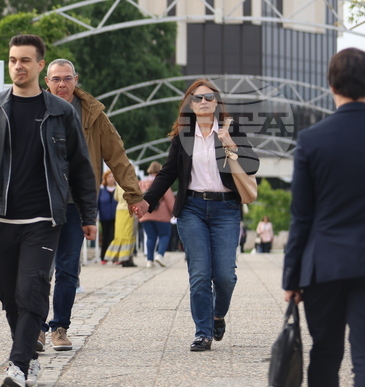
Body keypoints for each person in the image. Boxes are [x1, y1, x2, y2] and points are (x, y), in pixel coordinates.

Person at [0, 34, 97, 387]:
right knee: (9, 291)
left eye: (25, 60)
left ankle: (16, 364)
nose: (18, 66)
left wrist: (88, 213)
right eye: (13, 60)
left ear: (40, 65)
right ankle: (27, 355)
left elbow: (80, 166)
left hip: (44, 219)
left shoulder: (61, 112)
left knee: (32, 290)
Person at [283, 48, 365, 387]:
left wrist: (291, 278)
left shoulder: (311, 140)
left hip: (324, 264)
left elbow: (300, 216)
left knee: (325, 349)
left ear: (330, 85)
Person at [143, 79, 259, 351]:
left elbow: (253, 166)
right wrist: (147, 202)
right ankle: (202, 331)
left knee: (225, 276)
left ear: (217, 102)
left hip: (226, 209)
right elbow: (168, 173)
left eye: (209, 97)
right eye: (197, 98)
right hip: (192, 208)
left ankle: (218, 315)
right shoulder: (183, 136)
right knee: (199, 273)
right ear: (190, 105)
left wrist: (230, 144)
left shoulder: (232, 130)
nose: (204, 102)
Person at [42, 59, 147, 351]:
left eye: (66, 78)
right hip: (39, 201)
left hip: (76, 203)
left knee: (67, 269)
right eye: (55, 79)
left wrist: (134, 195)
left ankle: (59, 327)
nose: (61, 84)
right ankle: (36, 327)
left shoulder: (93, 114)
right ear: (46, 81)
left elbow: (117, 155)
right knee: (37, 269)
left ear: (76, 80)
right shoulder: (33, 107)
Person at [139, 161, 175, 267]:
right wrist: (174, 212)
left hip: (146, 215)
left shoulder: (142, 183)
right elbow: (169, 200)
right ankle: (159, 255)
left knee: (151, 237)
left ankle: (149, 260)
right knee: (164, 235)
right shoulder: (162, 182)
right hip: (161, 215)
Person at [105, 184, 138, 266]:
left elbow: (115, 197)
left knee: (120, 234)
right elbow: (137, 197)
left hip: (119, 210)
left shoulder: (119, 184)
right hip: (129, 210)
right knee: (129, 234)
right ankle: (127, 258)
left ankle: (119, 257)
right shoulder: (132, 183)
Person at [98, 170, 117, 262]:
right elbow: (97, 203)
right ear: (105, 178)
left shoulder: (118, 190)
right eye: (109, 177)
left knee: (114, 236)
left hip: (116, 217)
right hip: (104, 217)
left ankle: (114, 257)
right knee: (105, 237)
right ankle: (103, 257)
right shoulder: (101, 190)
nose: (111, 179)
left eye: (113, 177)